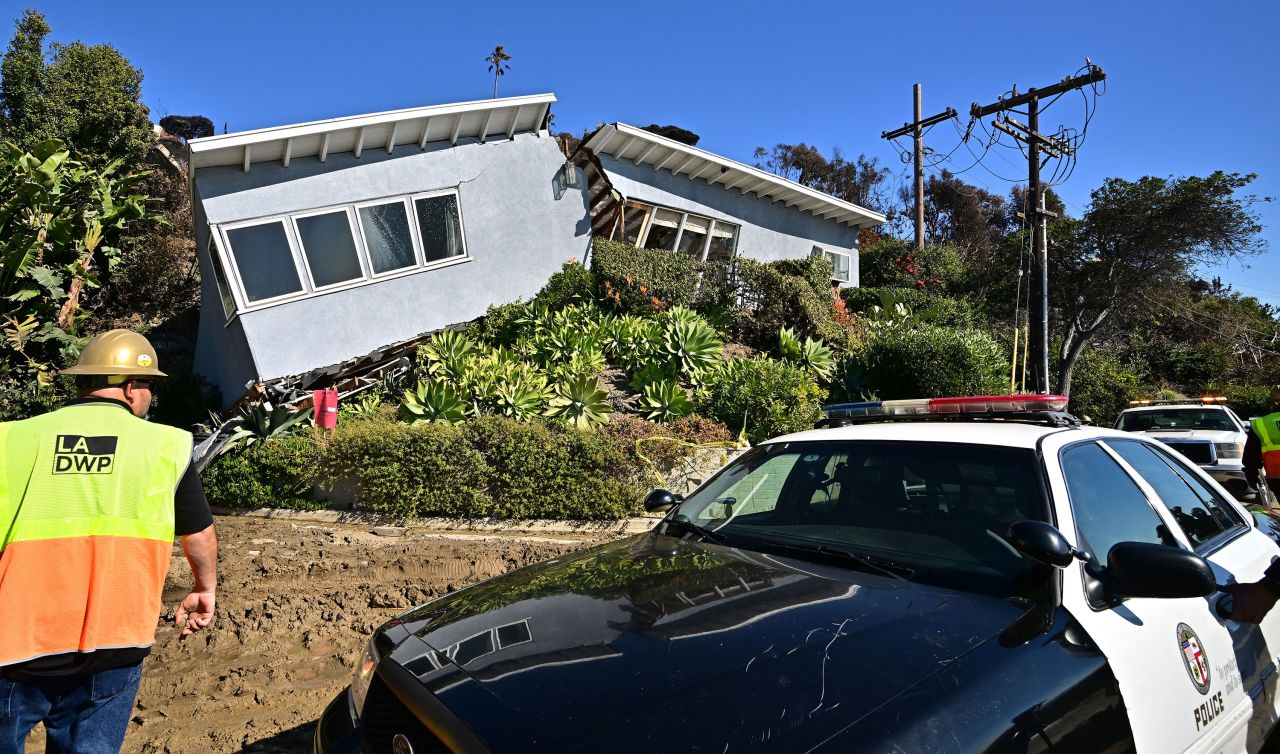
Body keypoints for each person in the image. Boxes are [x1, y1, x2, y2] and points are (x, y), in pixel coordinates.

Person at [0, 329, 218, 753]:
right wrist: (203, 589)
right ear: (131, 387)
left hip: (15, 641)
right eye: (150, 386)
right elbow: (199, 532)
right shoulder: (166, 446)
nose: (149, 397)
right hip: (115, 640)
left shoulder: (10, 438)